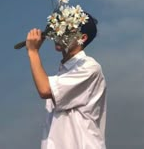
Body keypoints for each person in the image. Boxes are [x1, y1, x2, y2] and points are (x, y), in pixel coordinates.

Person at [26, 13, 107, 149]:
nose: (61, 33)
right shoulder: (64, 72)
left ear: (83, 38)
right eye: (60, 28)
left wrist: (33, 52)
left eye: (68, 30)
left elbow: (45, 89)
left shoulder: (89, 67)